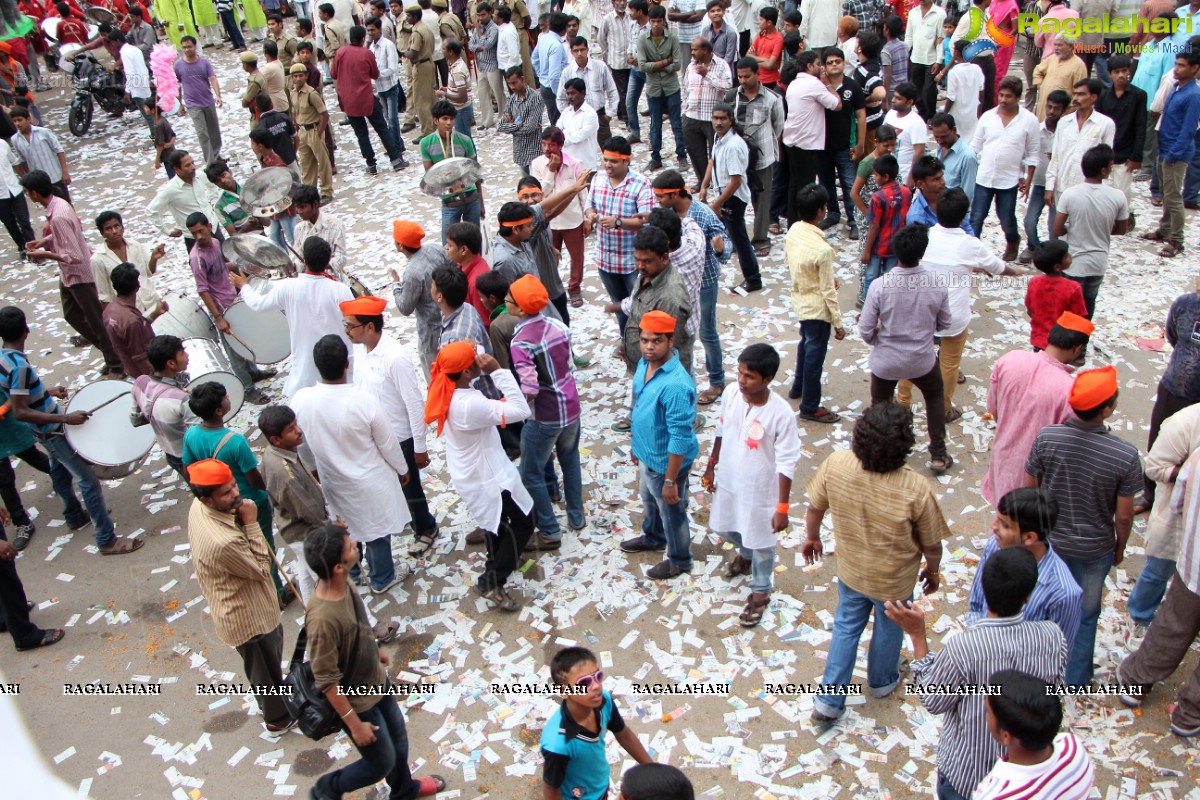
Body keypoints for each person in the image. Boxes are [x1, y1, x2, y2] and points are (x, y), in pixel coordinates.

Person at [803, 402, 949, 724]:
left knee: (845, 629)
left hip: (852, 573)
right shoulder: (916, 488)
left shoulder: (836, 464)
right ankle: (882, 682)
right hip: (894, 583)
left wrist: (812, 537)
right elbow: (932, 545)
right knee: (889, 630)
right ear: (905, 446)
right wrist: (933, 570)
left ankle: (828, 702)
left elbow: (815, 507)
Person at [886, 547, 1068, 800]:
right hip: (1028, 771)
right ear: (1027, 596)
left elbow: (933, 699)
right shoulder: (1052, 636)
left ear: (983, 587)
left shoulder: (964, 648)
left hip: (967, 775)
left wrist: (918, 636)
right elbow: (1055, 694)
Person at [303, 524, 447, 799]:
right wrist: (354, 724)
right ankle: (325, 790)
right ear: (337, 567)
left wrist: (373, 649)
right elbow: (326, 680)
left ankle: (404, 790)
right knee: (380, 762)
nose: (355, 544)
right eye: (349, 546)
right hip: (358, 703)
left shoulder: (344, 582)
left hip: (379, 683)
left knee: (399, 742)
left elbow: (358, 624)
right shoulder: (322, 619)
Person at [1025, 365, 1142, 688]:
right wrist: (1119, 546)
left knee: (1043, 606)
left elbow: (1030, 489)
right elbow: (1124, 516)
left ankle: (1035, 670)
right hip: (1094, 549)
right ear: (1107, 409)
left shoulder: (1048, 437)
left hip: (1050, 544)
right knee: (1086, 614)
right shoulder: (1125, 455)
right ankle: (1075, 678)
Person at [0, 306, 136, 555]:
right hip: (50, 428)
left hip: (41, 428)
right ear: (26, 330)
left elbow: (19, 393)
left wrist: (48, 392)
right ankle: (106, 539)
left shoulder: (4, 358)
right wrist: (66, 418)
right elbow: (20, 410)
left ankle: (74, 514)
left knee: (59, 471)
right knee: (88, 481)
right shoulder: (19, 365)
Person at [293, 335, 414, 594]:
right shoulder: (363, 401)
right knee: (376, 530)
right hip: (370, 479)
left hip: (332, 479)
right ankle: (382, 577)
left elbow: (300, 444)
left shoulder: (302, 400)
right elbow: (388, 443)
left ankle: (354, 572)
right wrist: (402, 469)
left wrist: (313, 469)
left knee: (346, 528)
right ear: (347, 364)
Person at [185, 458, 294, 733]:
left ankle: (273, 702)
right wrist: (251, 523)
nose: (236, 494)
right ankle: (277, 718)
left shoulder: (199, 505)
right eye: (226, 493)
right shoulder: (222, 541)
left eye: (234, 486)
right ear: (207, 500)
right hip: (248, 616)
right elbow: (261, 568)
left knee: (265, 665)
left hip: (247, 603)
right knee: (265, 669)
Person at [424, 341, 535, 609]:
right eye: (474, 360)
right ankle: (491, 580)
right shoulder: (469, 404)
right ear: (464, 372)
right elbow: (521, 410)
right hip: (488, 475)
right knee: (523, 522)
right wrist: (499, 371)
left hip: (471, 470)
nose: (480, 361)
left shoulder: (449, 387)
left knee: (495, 522)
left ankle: (497, 563)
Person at [898, 187, 1020, 421]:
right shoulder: (969, 244)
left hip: (921, 310)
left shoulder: (924, 236)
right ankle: (943, 409)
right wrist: (1015, 272)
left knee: (912, 355)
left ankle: (903, 401)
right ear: (964, 215)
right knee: (949, 362)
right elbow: (998, 267)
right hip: (953, 314)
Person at [702, 343, 800, 626]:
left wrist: (782, 506)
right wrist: (711, 465)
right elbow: (722, 427)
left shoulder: (780, 413)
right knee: (722, 526)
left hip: (760, 488)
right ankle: (744, 552)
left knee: (762, 541)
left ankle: (760, 591)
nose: (741, 381)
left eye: (749, 377)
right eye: (740, 373)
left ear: (767, 380)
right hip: (731, 478)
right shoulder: (732, 393)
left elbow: (787, 461)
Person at [340, 296, 441, 555]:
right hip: (373, 433)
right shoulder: (360, 350)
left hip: (399, 436)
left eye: (351, 326)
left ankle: (426, 527)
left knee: (410, 484)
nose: (346, 330)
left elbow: (414, 403)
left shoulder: (394, 357)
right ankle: (407, 519)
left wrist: (420, 446)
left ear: (370, 327)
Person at [859, 224, 953, 474]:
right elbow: (945, 324)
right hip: (921, 359)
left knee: (880, 404)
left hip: (886, 360)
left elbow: (865, 329)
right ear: (922, 252)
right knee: (934, 395)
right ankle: (938, 454)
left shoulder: (880, 286)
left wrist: (879, 338)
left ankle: (880, 451)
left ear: (896, 252)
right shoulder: (937, 284)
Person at [618, 309, 698, 579]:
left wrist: (670, 480)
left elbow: (680, 437)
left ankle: (680, 559)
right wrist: (636, 446)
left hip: (666, 465)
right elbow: (639, 404)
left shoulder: (675, 384)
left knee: (672, 512)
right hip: (647, 455)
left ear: (670, 341)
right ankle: (653, 537)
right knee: (649, 501)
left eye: (656, 341)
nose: (649, 347)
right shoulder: (644, 364)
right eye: (644, 340)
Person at [507, 275, 585, 550]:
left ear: (518, 308)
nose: (506, 303)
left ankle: (550, 530)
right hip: (571, 406)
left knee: (530, 473)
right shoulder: (558, 325)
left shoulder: (521, 342)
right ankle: (577, 517)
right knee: (570, 459)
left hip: (545, 415)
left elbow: (530, 387)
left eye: (509, 300)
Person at [983, 311, 1091, 506]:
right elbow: (1067, 444)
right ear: (1077, 349)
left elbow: (992, 409)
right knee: (1024, 524)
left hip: (1002, 456)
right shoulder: (1070, 390)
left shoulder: (1010, 359)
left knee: (1003, 520)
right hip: (1036, 475)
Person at [20, 171, 121, 377]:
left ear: (35, 193)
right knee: (71, 314)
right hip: (68, 275)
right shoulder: (58, 204)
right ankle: (109, 352)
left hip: (79, 274)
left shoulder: (58, 215)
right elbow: (65, 235)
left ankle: (116, 361)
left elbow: (73, 255)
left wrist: (47, 254)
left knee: (95, 319)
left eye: (28, 193)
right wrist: (45, 241)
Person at [230, 237, 352, 397]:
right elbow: (353, 321)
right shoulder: (340, 289)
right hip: (339, 358)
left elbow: (258, 304)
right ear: (328, 260)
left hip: (306, 360)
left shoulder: (288, 286)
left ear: (304, 260)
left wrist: (244, 286)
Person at [967, 487, 1084, 647]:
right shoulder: (995, 546)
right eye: (997, 518)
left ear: (1029, 537)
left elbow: (1058, 654)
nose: (993, 527)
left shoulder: (1064, 594)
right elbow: (976, 605)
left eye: (1004, 525)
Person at [539, 646, 654, 800]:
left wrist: (653, 770)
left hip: (600, 786)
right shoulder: (558, 744)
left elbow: (624, 734)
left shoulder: (604, 701)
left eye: (598, 676)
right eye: (585, 682)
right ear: (565, 691)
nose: (596, 686)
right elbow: (552, 790)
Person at [185, 212, 271, 405]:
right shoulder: (196, 258)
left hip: (231, 297)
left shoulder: (215, 243)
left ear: (208, 226)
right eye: (194, 233)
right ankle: (247, 388)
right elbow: (203, 290)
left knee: (244, 339)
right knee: (234, 349)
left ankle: (254, 373)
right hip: (220, 308)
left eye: (200, 231)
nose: (198, 236)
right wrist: (218, 317)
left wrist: (246, 262)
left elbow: (222, 267)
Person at [973, 670, 1096, 799]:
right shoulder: (1073, 748)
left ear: (1006, 736)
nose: (983, 704)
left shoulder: (994, 795)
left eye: (987, 710)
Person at [784, 183, 844, 423]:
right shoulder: (823, 250)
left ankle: (798, 387)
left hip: (801, 300)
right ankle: (810, 406)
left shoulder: (794, 231)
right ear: (821, 211)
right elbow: (828, 291)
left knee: (805, 344)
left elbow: (792, 262)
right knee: (814, 355)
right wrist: (839, 323)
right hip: (818, 308)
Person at [1053, 144, 1128, 322]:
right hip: (1098, 263)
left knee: (1067, 308)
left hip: (1073, 262)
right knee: (1088, 305)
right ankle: (1081, 346)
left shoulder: (1070, 194)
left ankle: (1064, 344)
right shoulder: (1118, 196)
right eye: (1110, 165)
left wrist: (1070, 229)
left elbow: (1057, 229)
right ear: (1103, 171)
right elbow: (1121, 229)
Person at [587, 136, 653, 337]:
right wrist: (591, 215)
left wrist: (618, 222)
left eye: (613, 161)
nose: (608, 165)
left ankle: (644, 345)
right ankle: (627, 342)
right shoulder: (598, 179)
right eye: (605, 159)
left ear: (626, 161)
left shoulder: (641, 184)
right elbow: (590, 205)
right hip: (605, 260)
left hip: (632, 262)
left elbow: (646, 222)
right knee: (620, 306)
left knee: (640, 307)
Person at [969, 76, 1040, 262]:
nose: (1003, 99)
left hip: (1008, 179)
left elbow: (1033, 153)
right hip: (984, 176)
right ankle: (973, 251)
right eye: (1001, 95)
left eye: (1008, 96)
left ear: (1017, 98)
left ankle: (1012, 240)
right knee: (977, 216)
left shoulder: (1029, 121)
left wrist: (1028, 178)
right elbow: (975, 147)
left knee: (1006, 218)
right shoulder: (987, 117)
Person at [1143, 52, 1200, 259]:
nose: (1176, 69)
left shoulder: (1193, 94)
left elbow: (1188, 130)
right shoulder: (1177, 88)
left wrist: (1173, 153)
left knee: (1174, 197)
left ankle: (1176, 240)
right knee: (1167, 194)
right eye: (1176, 64)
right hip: (1165, 148)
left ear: (1194, 69)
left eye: (1182, 66)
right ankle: (1165, 229)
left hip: (1176, 153)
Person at [727, 57, 785, 253]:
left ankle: (760, 239)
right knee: (735, 197)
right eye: (740, 76)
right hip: (737, 158)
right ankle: (736, 237)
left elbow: (778, 127)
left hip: (763, 157)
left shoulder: (773, 99)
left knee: (762, 199)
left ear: (757, 75)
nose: (743, 80)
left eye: (747, 76)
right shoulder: (731, 97)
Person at [333, 25, 407, 174]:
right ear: (362, 39)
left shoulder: (340, 52)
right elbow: (374, 74)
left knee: (361, 133)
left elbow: (333, 73)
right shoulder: (366, 53)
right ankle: (395, 159)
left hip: (348, 99)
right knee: (381, 128)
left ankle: (371, 164)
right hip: (366, 97)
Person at [702, 103, 759, 292]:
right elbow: (712, 161)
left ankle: (753, 278)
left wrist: (717, 204)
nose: (718, 122)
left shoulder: (733, 145)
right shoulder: (720, 139)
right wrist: (704, 185)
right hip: (723, 194)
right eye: (715, 118)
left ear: (730, 120)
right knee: (733, 234)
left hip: (732, 197)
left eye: (722, 119)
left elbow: (735, 181)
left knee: (740, 238)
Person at [783, 52, 843, 226]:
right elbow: (837, 104)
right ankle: (804, 224)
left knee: (795, 184)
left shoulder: (794, 83)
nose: (821, 67)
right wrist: (828, 85)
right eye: (818, 64)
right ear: (809, 66)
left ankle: (793, 223)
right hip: (806, 143)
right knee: (806, 187)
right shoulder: (814, 84)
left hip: (792, 140)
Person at [531, 128, 589, 306]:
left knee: (576, 257)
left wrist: (587, 218)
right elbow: (540, 194)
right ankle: (549, 288)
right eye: (544, 144)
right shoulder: (537, 164)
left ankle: (574, 289)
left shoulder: (574, 164)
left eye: (552, 145)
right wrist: (550, 171)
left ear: (561, 146)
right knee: (548, 258)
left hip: (572, 220)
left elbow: (582, 193)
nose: (547, 148)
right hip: (549, 222)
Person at [388, 221, 451, 376]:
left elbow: (405, 307)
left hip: (431, 331)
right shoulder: (435, 249)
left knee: (436, 377)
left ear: (400, 246)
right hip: (450, 318)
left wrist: (396, 285)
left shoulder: (412, 272)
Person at [133, 335, 198, 481]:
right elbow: (199, 436)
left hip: (170, 453)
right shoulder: (181, 399)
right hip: (190, 457)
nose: (187, 356)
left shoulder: (139, 383)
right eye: (182, 353)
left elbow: (135, 420)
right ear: (171, 363)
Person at [1019, 89, 1070, 264]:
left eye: (1056, 108)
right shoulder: (1037, 130)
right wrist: (1025, 177)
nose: (1051, 111)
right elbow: (1026, 153)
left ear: (1064, 110)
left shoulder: (1067, 133)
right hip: (1040, 183)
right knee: (1029, 221)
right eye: (1049, 107)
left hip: (1058, 185)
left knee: (1053, 225)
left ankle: (1053, 256)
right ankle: (1034, 247)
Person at [637, 4, 686, 172]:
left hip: (671, 86)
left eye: (659, 21)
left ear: (663, 21)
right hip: (654, 88)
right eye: (653, 21)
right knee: (655, 124)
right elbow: (642, 65)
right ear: (649, 21)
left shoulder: (672, 38)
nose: (656, 24)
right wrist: (665, 62)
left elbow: (678, 64)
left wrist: (655, 66)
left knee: (676, 123)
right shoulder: (643, 39)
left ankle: (682, 156)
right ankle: (655, 157)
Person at [1098, 54, 1146, 223]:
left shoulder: (1139, 95)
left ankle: (1123, 221)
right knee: (1104, 189)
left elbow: (1141, 126)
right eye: (1116, 71)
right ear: (1110, 73)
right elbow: (1099, 126)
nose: (1121, 75)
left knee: (1122, 191)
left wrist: (1136, 156)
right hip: (1108, 152)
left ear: (1129, 71)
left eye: (1124, 71)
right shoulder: (1104, 97)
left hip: (1126, 153)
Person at [858, 153, 910, 304]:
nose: (874, 177)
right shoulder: (906, 192)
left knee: (871, 278)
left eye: (876, 175)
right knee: (890, 279)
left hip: (878, 245)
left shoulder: (878, 197)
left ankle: (868, 309)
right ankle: (887, 308)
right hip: (895, 245)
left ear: (885, 176)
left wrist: (866, 250)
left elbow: (874, 226)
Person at [147, 151, 224, 250]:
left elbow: (212, 186)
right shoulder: (170, 190)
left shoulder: (200, 176)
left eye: (193, 163)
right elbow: (151, 210)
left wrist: (213, 202)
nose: (193, 167)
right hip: (194, 237)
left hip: (213, 226)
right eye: (187, 165)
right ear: (176, 169)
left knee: (226, 259)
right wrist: (167, 231)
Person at [287, 64, 334, 202]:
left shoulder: (311, 94)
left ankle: (326, 191)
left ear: (306, 76)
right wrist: (296, 129)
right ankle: (309, 193)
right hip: (302, 132)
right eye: (295, 76)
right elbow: (295, 113)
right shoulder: (293, 93)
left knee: (323, 162)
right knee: (307, 165)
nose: (298, 79)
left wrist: (319, 132)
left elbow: (324, 114)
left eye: (300, 75)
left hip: (313, 130)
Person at [101, 264, 154, 379]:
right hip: (142, 374)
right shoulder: (131, 321)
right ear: (138, 285)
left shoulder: (109, 310)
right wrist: (155, 381)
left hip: (128, 368)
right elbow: (140, 358)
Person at [9, 107, 70, 203]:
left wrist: (65, 172)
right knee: (49, 206)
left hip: (55, 176)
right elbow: (23, 161)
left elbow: (59, 151)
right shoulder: (15, 139)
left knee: (65, 204)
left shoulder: (43, 132)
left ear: (28, 119)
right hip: (39, 182)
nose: (17, 123)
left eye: (20, 120)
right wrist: (28, 181)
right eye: (14, 121)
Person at [498, 66, 548, 175]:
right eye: (509, 84)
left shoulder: (536, 98)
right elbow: (500, 126)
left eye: (514, 83)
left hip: (534, 150)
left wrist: (511, 127)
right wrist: (520, 124)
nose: (512, 87)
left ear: (522, 79)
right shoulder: (511, 100)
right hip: (519, 152)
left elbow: (529, 127)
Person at [290, 185, 345, 281]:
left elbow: (341, 259)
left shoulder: (336, 226)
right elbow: (297, 257)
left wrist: (319, 265)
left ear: (315, 204)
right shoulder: (299, 229)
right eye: (297, 207)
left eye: (303, 207)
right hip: (308, 280)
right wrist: (295, 266)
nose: (299, 211)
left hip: (332, 279)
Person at [905, 0, 944, 119]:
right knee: (916, 89)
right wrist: (905, 54)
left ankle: (931, 115)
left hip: (931, 59)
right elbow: (909, 36)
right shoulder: (912, 13)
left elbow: (940, 38)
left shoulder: (939, 14)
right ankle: (922, 114)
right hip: (915, 57)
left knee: (929, 90)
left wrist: (938, 60)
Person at [469, 3, 505, 130]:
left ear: (489, 14)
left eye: (483, 15)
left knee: (498, 92)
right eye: (478, 15)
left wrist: (478, 32)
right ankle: (487, 120)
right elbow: (471, 45)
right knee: (482, 93)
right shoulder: (478, 28)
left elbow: (488, 44)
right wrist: (479, 47)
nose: (480, 18)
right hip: (481, 65)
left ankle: (502, 118)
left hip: (492, 64)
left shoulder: (494, 28)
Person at [943, 41, 983, 144]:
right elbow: (981, 93)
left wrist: (943, 114)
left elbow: (951, 98)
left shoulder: (954, 72)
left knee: (959, 143)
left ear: (956, 53)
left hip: (958, 115)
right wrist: (979, 112)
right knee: (971, 142)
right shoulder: (977, 69)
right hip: (973, 114)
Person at [533, 12, 569, 125]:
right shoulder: (556, 46)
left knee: (555, 119)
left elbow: (534, 59)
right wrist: (559, 94)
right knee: (559, 123)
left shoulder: (543, 38)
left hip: (545, 85)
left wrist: (541, 75)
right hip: (553, 89)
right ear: (564, 29)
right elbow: (554, 76)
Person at [557, 77, 600, 169]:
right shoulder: (566, 112)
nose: (569, 97)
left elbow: (578, 137)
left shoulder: (590, 114)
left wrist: (564, 133)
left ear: (583, 93)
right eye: (568, 94)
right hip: (567, 166)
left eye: (573, 93)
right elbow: (556, 132)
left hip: (585, 165)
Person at [439, 40, 474, 137]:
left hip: (462, 110)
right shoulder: (457, 65)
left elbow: (463, 97)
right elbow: (460, 88)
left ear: (451, 52)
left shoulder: (457, 71)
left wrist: (444, 94)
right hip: (461, 109)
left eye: (444, 49)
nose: (442, 51)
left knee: (464, 141)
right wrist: (448, 89)